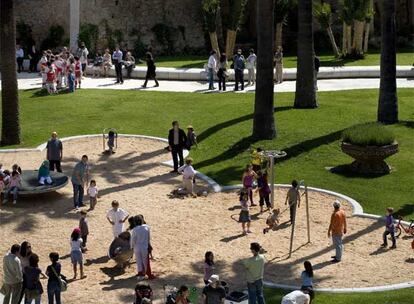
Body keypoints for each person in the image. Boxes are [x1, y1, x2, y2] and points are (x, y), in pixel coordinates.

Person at [130, 215, 150, 280]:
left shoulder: (135, 230)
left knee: (138, 260)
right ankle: (146, 273)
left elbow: (133, 239)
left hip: (137, 247)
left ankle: (140, 273)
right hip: (144, 246)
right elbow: (148, 237)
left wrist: (132, 246)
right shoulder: (147, 227)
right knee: (145, 261)